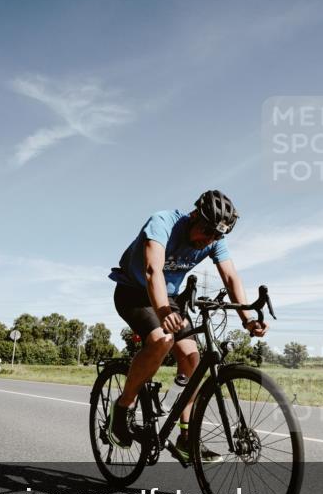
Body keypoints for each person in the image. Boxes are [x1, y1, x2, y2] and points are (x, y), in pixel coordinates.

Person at [107, 190, 268, 463]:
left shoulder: (214, 241)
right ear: (194, 216)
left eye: (216, 236)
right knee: (161, 340)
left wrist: (247, 318)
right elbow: (152, 271)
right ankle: (122, 409)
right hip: (134, 291)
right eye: (206, 231)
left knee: (193, 359)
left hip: (169, 298)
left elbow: (230, 276)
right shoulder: (163, 222)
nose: (209, 240)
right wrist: (163, 311)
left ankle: (186, 437)